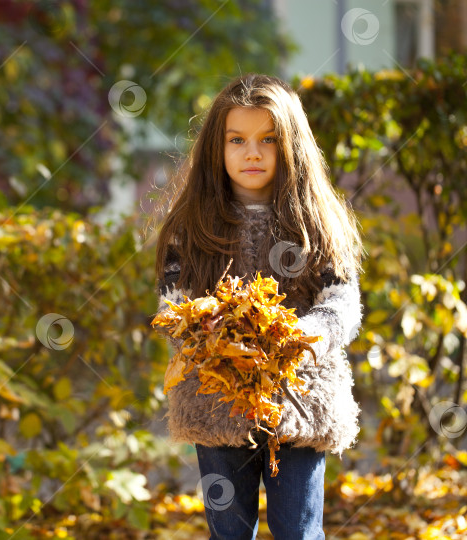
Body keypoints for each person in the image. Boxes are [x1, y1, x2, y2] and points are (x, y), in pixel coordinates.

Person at [150, 73, 366, 540]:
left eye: (268, 139)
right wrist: (209, 331)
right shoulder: (191, 228)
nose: (252, 152)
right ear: (216, 148)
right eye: (237, 140)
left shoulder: (316, 222)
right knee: (228, 530)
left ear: (292, 146)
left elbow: (342, 300)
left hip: (300, 396)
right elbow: (175, 303)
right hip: (216, 397)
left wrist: (307, 337)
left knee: (299, 529)